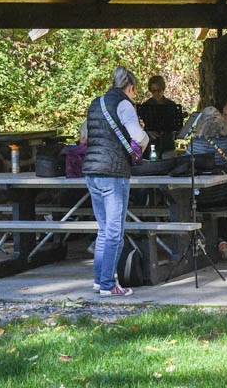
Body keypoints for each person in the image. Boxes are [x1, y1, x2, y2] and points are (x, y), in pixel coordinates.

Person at [84, 66, 149, 297]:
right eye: (135, 91)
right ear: (130, 87)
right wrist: (143, 136)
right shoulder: (124, 104)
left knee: (103, 231)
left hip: (92, 171)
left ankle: (99, 279)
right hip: (114, 173)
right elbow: (139, 137)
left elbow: (85, 134)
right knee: (114, 233)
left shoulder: (96, 103)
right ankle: (108, 286)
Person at [189, 105, 227, 259]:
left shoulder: (194, 143)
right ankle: (222, 241)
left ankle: (214, 241)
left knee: (210, 202)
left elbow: (187, 168)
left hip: (201, 197)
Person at [137, 75, 183, 155]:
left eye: (159, 90)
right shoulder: (145, 106)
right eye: (153, 91)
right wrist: (149, 131)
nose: (156, 93)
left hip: (168, 143)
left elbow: (176, 126)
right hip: (151, 144)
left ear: (163, 89)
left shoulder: (171, 105)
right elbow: (139, 126)